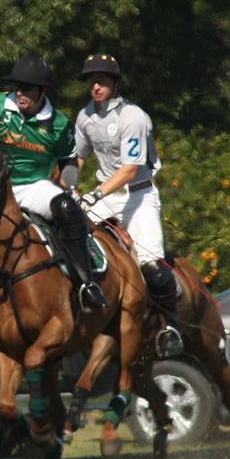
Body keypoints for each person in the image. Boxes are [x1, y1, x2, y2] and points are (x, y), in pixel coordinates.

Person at [0, 55, 109, 341]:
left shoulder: (58, 122)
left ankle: (85, 285)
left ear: (43, 91)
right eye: (17, 86)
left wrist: (72, 188)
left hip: (35, 186)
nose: (20, 92)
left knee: (66, 209)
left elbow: (67, 160)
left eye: (28, 88)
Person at [70, 52, 183, 358]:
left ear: (115, 83)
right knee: (68, 240)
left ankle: (169, 327)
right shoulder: (85, 117)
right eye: (91, 81)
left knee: (152, 268)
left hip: (138, 195)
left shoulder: (133, 117)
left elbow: (130, 168)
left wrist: (94, 194)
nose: (96, 86)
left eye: (102, 80)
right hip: (105, 196)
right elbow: (77, 157)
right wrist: (67, 184)